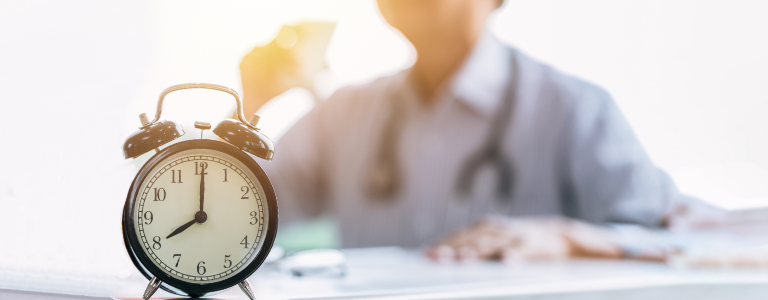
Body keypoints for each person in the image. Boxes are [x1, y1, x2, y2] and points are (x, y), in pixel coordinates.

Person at [240, 0, 689, 262]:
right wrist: (249, 107)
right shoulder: (344, 113)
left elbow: (682, 245)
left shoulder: (574, 110)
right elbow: (232, 214)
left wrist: (568, 238)